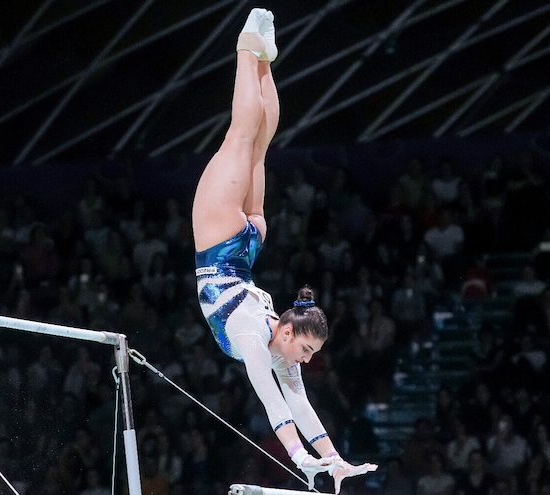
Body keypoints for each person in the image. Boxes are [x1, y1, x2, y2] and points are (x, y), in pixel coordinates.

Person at [192, 8, 375, 491]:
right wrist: (304, 459)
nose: (307, 361)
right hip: (238, 244)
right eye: (307, 348)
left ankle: (262, 57)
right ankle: (249, 52)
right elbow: (276, 404)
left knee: (251, 141)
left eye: (310, 353)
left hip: (222, 242)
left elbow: (297, 404)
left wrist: (333, 461)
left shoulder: (268, 345)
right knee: (250, 138)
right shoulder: (260, 338)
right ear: (291, 330)